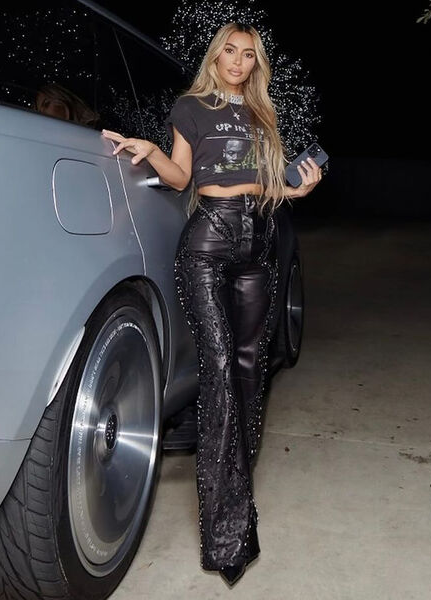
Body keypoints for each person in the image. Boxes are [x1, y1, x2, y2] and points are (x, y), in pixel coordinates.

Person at [102, 22, 322, 586]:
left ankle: (236, 495)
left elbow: (261, 184)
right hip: (208, 242)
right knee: (220, 372)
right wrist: (152, 151)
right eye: (230, 51)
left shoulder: (262, 114)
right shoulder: (191, 107)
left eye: (248, 55)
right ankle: (228, 536)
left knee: (250, 373)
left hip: (259, 242)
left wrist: (295, 188)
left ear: (255, 64)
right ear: (215, 57)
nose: (238, 61)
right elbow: (182, 178)